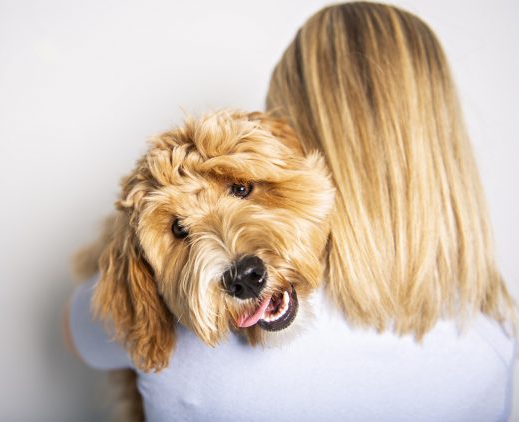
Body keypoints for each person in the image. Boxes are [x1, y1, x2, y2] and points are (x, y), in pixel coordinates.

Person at [65, 3, 516, 421]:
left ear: (299, 141)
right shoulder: (496, 343)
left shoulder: (184, 349)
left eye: (242, 188)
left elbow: (78, 332)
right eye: (181, 228)